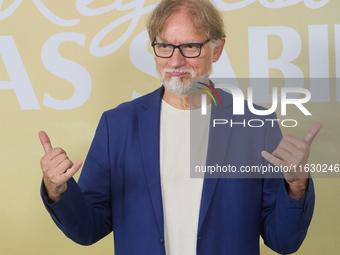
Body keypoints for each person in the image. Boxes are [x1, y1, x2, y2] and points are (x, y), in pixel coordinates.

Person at [39, 0, 322, 254]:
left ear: (217, 49)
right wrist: (57, 192)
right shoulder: (118, 125)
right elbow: (89, 230)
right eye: (164, 46)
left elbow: (282, 240)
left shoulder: (256, 123)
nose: (175, 61)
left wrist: (296, 186)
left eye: (190, 46)